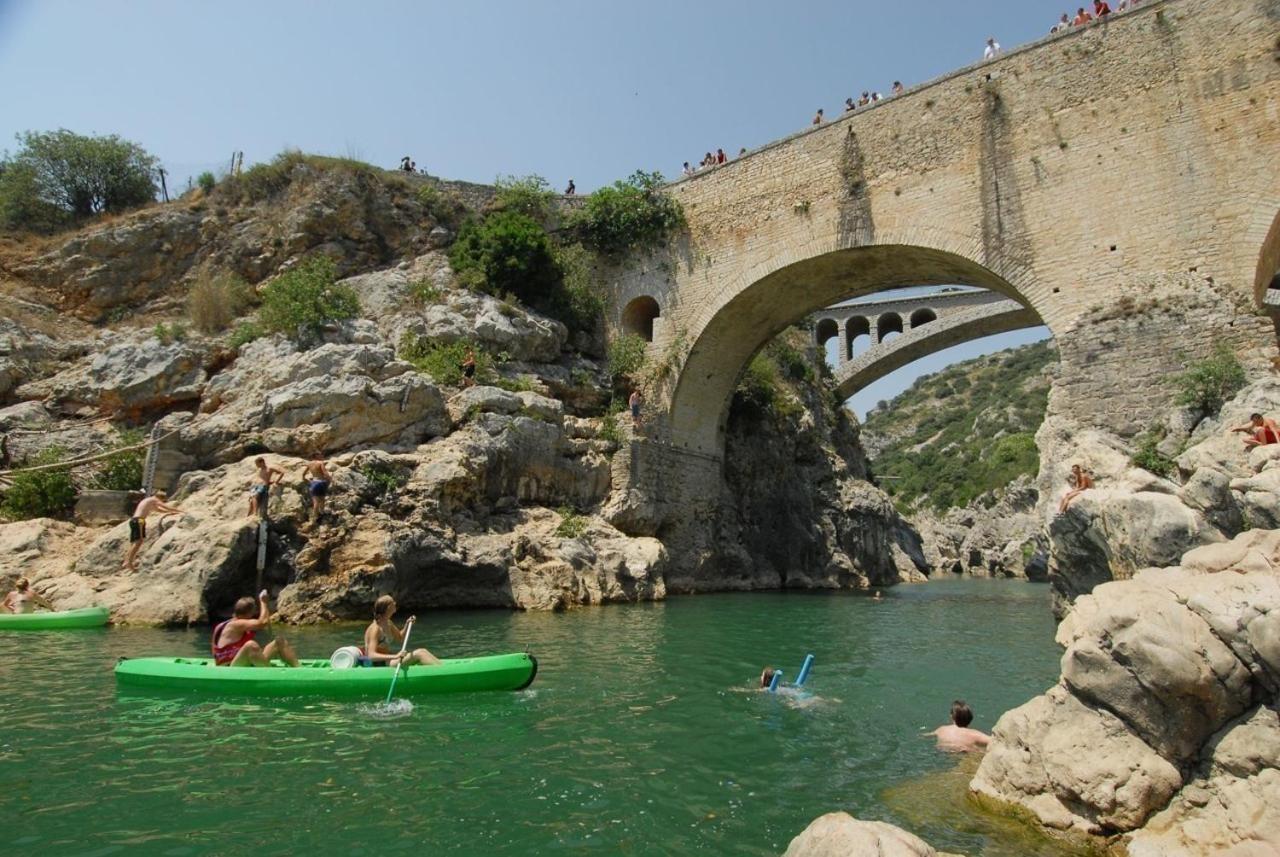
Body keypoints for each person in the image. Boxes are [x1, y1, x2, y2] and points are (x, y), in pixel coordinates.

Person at [211, 590, 300, 667]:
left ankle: (299, 670)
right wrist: (263, 602)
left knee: (279, 641)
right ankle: (270, 673)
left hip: (242, 662)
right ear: (250, 612)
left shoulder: (224, 624)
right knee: (250, 645)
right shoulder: (235, 625)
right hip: (229, 666)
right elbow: (262, 622)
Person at [361, 594, 441, 667]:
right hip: (379, 664)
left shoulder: (388, 623)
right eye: (393, 602)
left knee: (423, 651)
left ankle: (442, 668)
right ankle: (441, 672)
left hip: (389, 660)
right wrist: (396, 656)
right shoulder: (375, 629)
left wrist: (407, 624)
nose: (395, 603)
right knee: (419, 653)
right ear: (388, 608)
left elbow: (400, 638)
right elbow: (371, 655)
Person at [123, 490, 182, 571]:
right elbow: (165, 507)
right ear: (161, 498)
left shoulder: (148, 500)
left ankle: (126, 561)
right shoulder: (154, 499)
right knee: (138, 542)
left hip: (134, 520)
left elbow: (159, 510)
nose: (162, 502)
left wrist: (171, 513)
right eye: (163, 500)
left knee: (134, 542)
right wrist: (180, 511)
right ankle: (129, 564)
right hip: (139, 520)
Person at [925, 700, 991, 752]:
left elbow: (927, 736)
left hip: (941, 752)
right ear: (970, 717)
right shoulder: (974, 734)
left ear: (951, 716)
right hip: (963, 754)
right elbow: (995, 741)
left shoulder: (942, 729)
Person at [301, 456, 332, 521]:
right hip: (321, 482)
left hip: (314, 482)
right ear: (317, 456)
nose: (322, 456)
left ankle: (315, 517)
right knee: (322, 499)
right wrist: (330, 479)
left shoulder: (309, 464)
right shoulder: (320, 463)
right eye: (320, 455)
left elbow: (303, 474)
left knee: (315, 501)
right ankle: (322, 513)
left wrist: (304, 479)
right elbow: (325, 473)